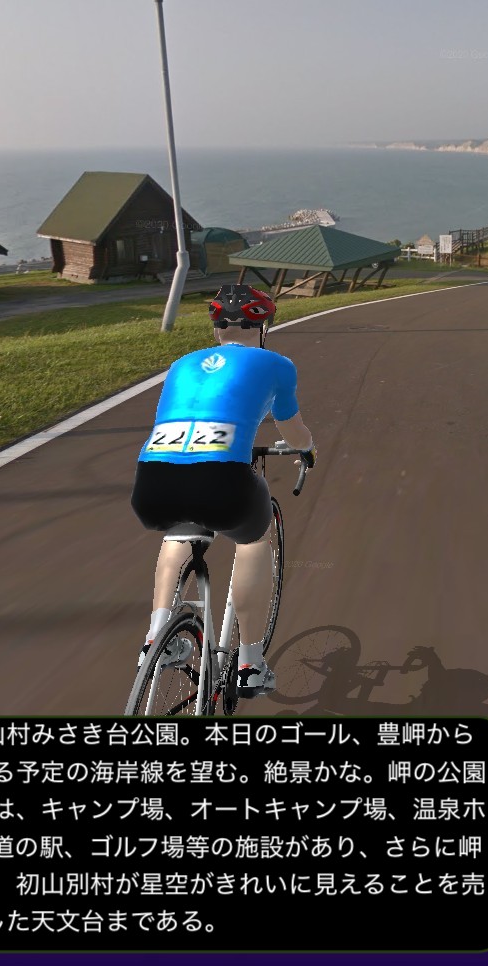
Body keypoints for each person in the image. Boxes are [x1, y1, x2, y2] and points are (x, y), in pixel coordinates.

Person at [130, 284, 316, 697]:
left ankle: (156, 637)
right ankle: (250, 664)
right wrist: (306, 450)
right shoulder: (277, 364)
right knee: (253, 541)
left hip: (152, 480)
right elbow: (292, 428)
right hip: (221, 479)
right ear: (263, 327)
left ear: (217, 329)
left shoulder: (181, 364)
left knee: (180, 531)